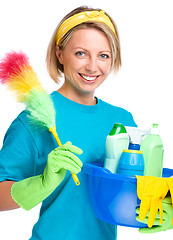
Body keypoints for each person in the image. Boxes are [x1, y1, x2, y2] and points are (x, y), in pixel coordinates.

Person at [0, 6, 138, 240]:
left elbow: (134, 192)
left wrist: (160, 207)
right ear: (60, 54)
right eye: (81, 53)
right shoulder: (34, 120)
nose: (93, 67)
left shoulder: (122, 121)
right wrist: (43, 183)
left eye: (103, 55)